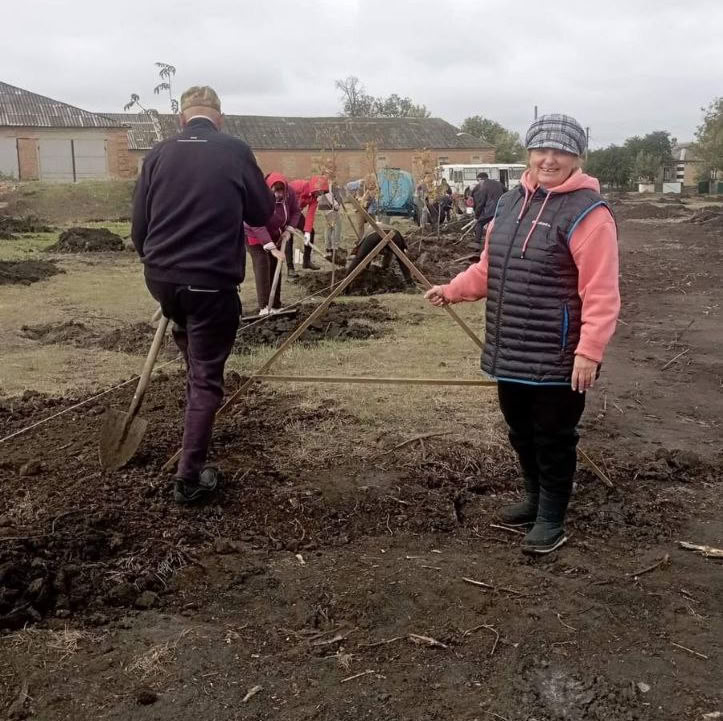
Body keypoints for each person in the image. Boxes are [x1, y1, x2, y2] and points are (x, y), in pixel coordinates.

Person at [425, 114, 620, 555]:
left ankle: (553, 518)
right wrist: (453, 290)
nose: (549, 159)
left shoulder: (589, 213)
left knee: (554, 435)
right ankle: (534, 500)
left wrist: (589, 351)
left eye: (561, 152)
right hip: (510, 343)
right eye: (541, 150)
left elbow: (602, 291)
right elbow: (489, 267)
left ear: (576, 158)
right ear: (529, 154)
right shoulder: (511, 204)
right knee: (520, 430)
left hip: (558, 351)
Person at [131, 85, 274, 504]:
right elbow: (262, 212)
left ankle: (196, 395)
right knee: (208, 375)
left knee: (192, 344)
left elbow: (139, 223)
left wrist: (157, 263)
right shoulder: (234, 150)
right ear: (220, 117)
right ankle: (189, 478)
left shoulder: (158, 153)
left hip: (161, 276)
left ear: (182, 118)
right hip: (210, 281)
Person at [245, 173, 300, 315]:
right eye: (275, 191)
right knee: (263, 263)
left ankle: (275, 305)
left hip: (274, 232)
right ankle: (264, 307)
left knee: (276, 264)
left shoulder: (290, 193)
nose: (278, 194)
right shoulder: (257, 196)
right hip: (253, 232)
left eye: (281, 190)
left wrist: (288, 230)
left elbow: (296, 212)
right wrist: (272, 248)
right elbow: (255, 223)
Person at [345, 225, 414, 287]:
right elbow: (389, 254)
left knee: (359, 258)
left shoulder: (364, 239)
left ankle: (345, 280)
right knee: (401, 258)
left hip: (375, 235)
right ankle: (409, 282)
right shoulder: (377, 227)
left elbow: (364, 257)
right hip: (395, 234)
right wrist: (384, 268)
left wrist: (365, 269)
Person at [289, 175, 330, 271]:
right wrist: (288, 222)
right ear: (315, 187)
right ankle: (290, 268)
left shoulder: (314, 198)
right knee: (288, 237)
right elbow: (284, 197)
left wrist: (307, 232)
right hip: (285, 211)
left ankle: (306, 261)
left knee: (311, 231)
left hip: (296, 213)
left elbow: (310, 215)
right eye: (320, 191)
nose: (320, 194)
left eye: (322, 192)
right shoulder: (298, 186)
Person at [471, 172, 505, 248]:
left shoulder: (484, 187)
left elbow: (481, 203)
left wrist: (476, 217)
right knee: (498, 225)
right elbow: (508, 193)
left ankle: (477, 243)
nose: (478, 183)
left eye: (478, 180)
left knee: (479, 224)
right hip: (502, 209)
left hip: (491, 210)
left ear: (481, 179)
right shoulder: (498, 183)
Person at [318, 182, 343, 262]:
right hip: (330, 208)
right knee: (336, 227)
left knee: (329, 227)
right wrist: (335, 204)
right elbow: (328, 193)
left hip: (326, 208)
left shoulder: (323, 180)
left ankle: (328, 248)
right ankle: (334, 249)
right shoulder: (327, 181)